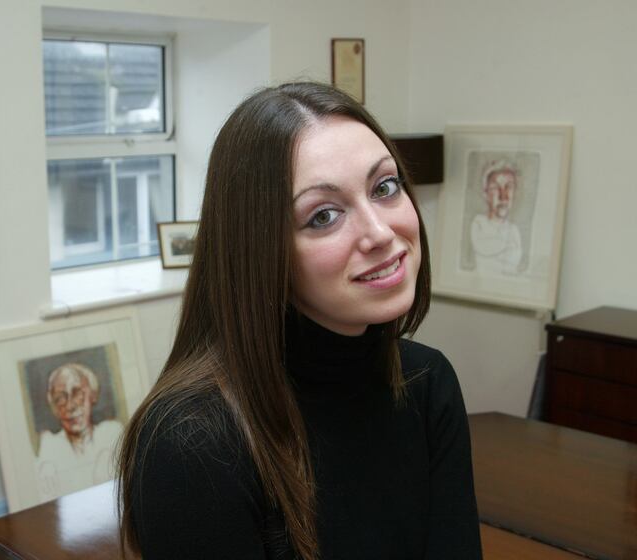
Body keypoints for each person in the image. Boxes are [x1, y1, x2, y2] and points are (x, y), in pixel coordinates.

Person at [117, 82, 482, 559]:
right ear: (260, 253)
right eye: (324, 216)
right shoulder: (191, 444)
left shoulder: (428, 383)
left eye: (384, 187)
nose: (379, 232)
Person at [35, 363, 123, 501]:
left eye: (77, 393)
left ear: (93, 395)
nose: (70, 406)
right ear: (54, 407)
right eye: (60, 398)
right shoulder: (49, 447)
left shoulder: (112, 432)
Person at [469, 159, 522, 276]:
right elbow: (483, 247)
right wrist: (506, 244)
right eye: (495, 188)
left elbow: (513, 266)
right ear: (485, 194)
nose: (503, 196)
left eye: (509, 187)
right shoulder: (479, 222)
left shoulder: (514, 230)